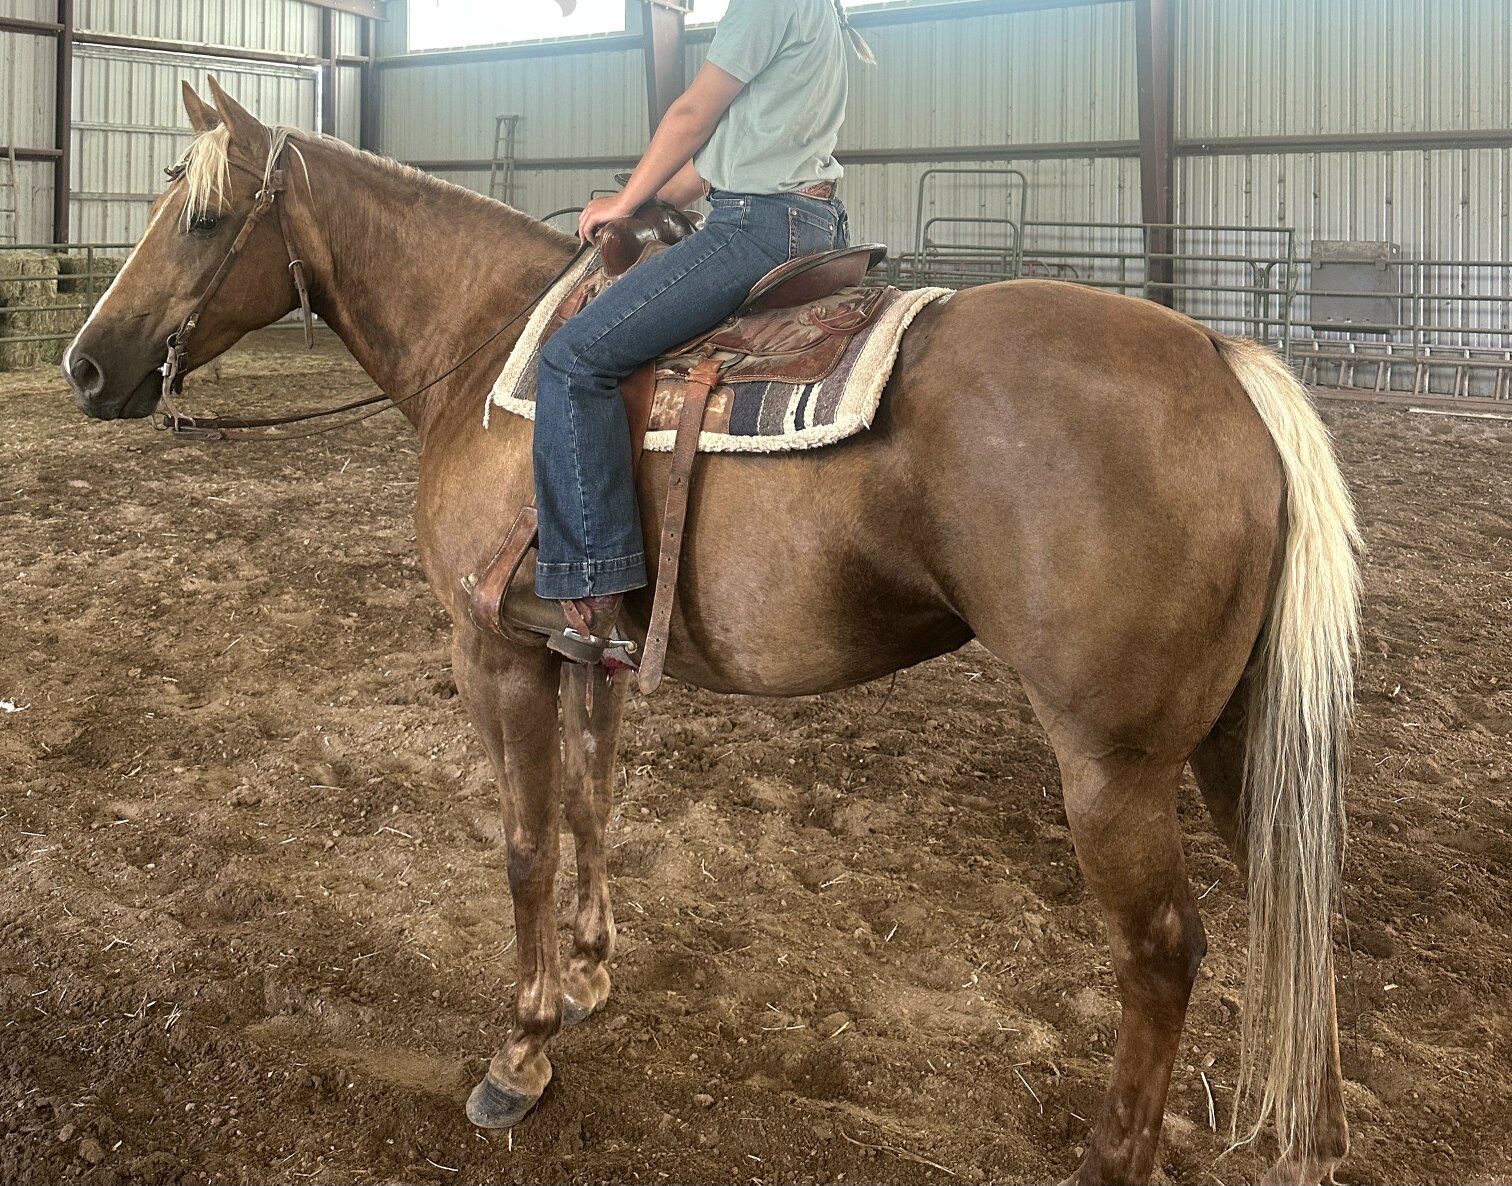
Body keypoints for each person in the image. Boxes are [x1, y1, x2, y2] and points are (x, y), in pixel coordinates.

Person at [509, 0, 874, 662]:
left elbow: (690, 115)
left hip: (755, 225)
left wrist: (621, 203)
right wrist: (646, 204)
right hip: (809, 220)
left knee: (573, 357)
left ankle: (591, 588)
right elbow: (707, 163)